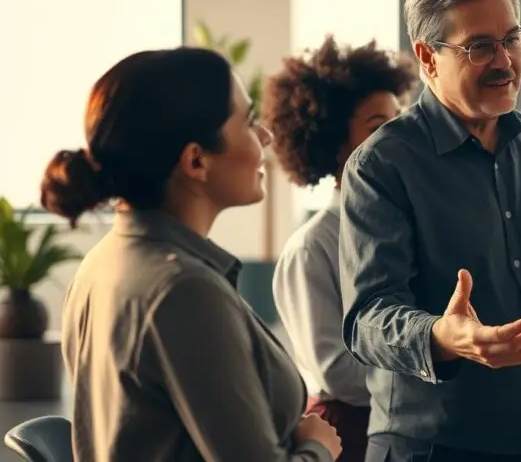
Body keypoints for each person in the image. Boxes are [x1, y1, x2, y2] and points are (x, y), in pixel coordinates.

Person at [40, 48, 342, 462]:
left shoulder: (101, 262)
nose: (265, 136)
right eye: (248, 121)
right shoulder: (184, 292)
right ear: (197, 160)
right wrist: (319, 448)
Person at [336, 0, 521, 462]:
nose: (505, 61)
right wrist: (441, 336)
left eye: (513, 39)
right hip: (432, 448)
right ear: (428, 57)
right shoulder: (382, 164)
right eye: (480, 46)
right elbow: (366, 320)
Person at [264, 37, 419, 462]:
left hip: (409, 427)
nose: (396, 137)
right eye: (377, 125)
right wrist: (431, 363)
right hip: (346, 436)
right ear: (334, 142)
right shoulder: (311, 247)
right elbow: (336, 371)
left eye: (399, 120)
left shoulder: (410, 229)